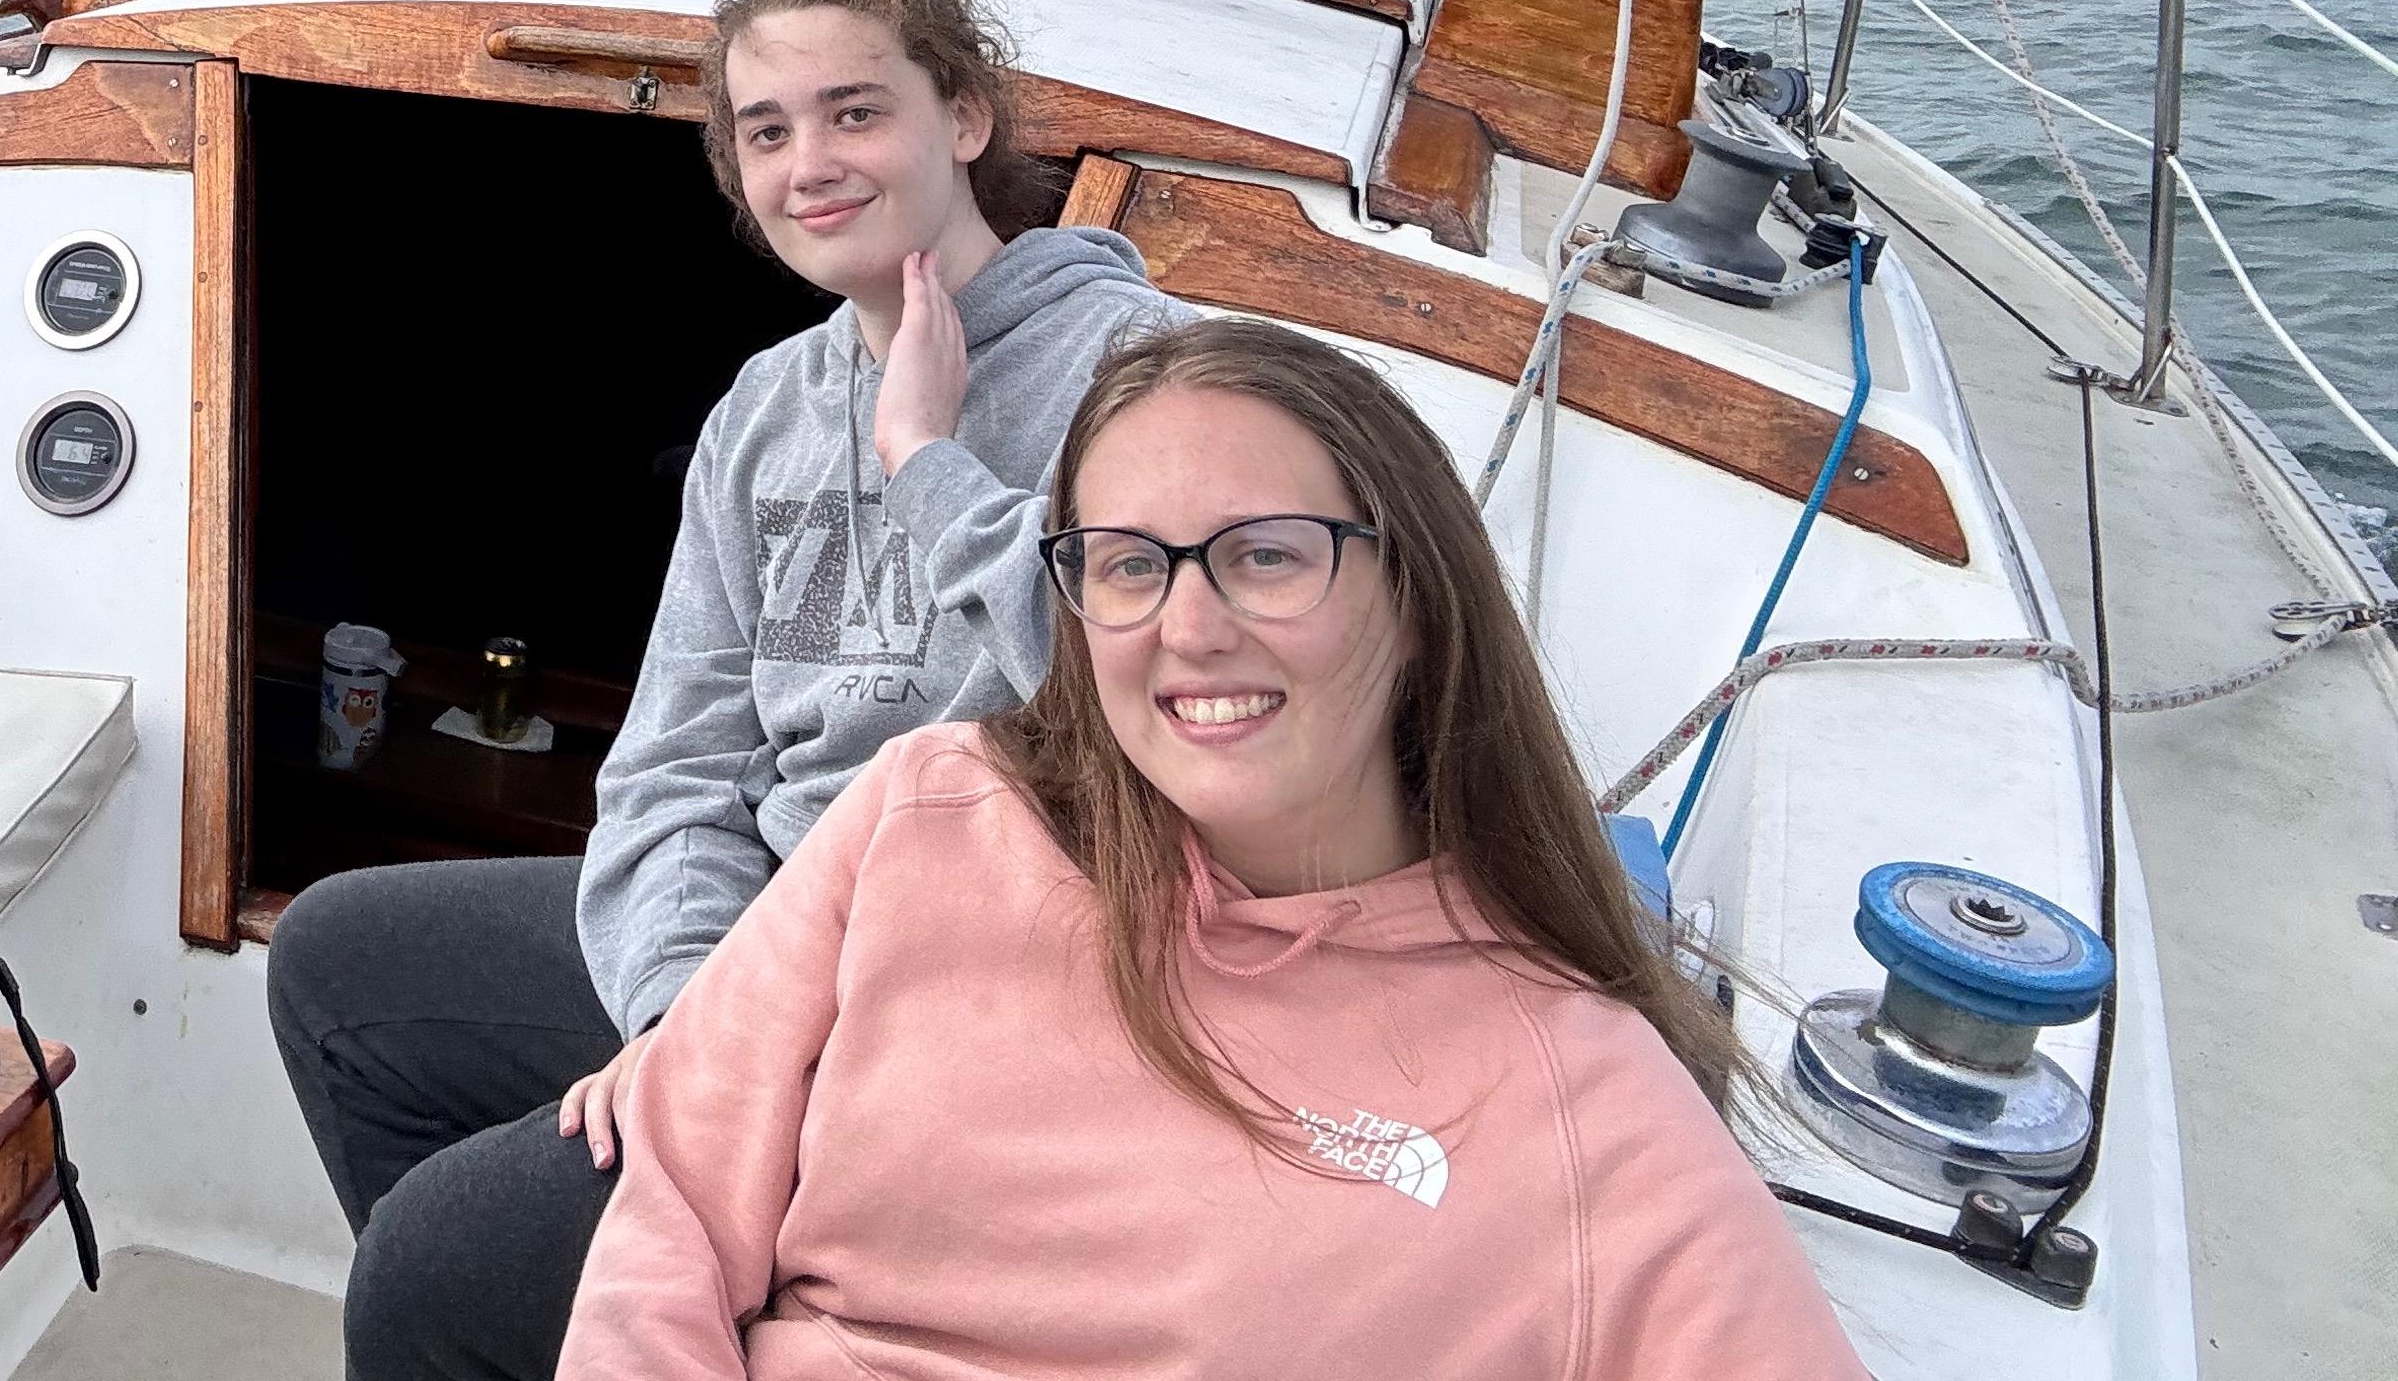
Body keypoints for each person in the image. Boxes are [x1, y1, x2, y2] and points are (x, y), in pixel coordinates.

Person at [560, 318, 1866, 1380]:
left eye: (1267, 557)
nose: (1189, 626)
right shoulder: (935, 808)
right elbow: (674, 1202)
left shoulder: (1588, 1106)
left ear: (1414, 597)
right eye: (1128, 566)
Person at [271, 0, 1188, 1381]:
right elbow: (678, 762)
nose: (809, 162)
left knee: (429, 1266)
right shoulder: (767, 406)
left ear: (964, 120)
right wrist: (693, 1017)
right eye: (767, 131)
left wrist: (929, 462)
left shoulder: (1142, 377)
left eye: (855, 111)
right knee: (339, 968)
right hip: (765, 947)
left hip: (974, 991)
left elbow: (1160, 704)